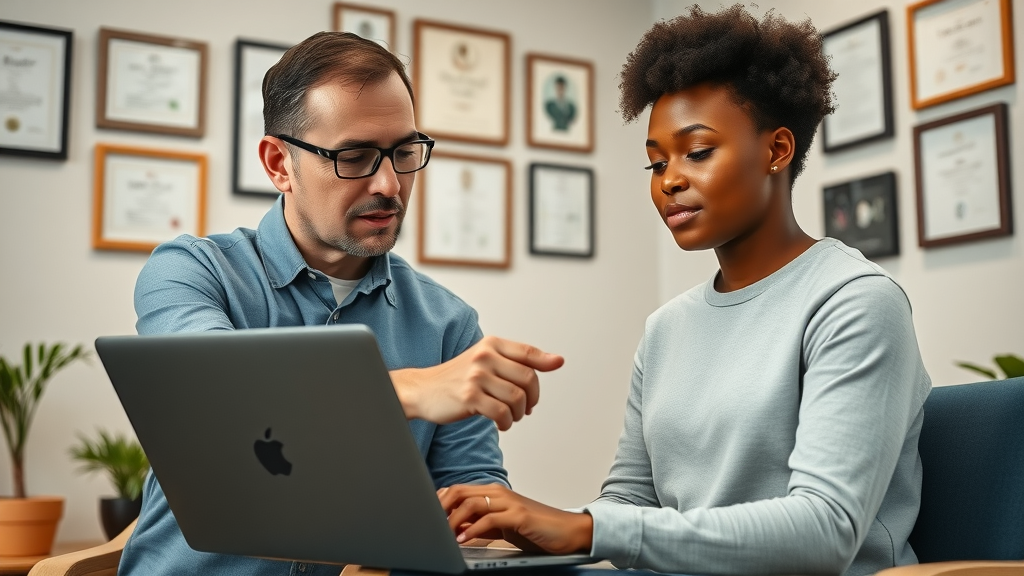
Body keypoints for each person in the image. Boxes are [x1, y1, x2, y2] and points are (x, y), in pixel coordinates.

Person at [439, 6, 932, 576]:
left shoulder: (855, 301)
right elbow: (629, 505)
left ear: (776, 151)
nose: (669, 179)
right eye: (655, 161)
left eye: (697, 152)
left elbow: (826, 531)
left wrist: (585, 529)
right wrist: (535, 528)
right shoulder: (666, 328)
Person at [118, 32, 563, 576]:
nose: (390, 184)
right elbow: (215, 398)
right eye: (355, 156)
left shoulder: (449, 324)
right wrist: (406, 391)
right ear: (279, 163)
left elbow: (473, 504)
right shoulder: (192, 272)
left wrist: (494, 517)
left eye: (403, 153)